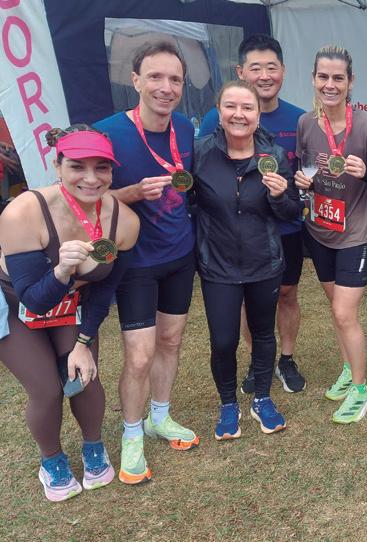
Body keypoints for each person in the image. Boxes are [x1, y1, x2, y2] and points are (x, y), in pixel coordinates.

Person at [0, 125, 140, 501]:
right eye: (78, 166)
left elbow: (105, 289)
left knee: (83, 376)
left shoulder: (125, 222)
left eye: (101, 167)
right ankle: (52, 461)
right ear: (57, 165)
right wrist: (62, 270)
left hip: (69, 305)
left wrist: (83, 342)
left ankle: (94, 447)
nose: (91, 178)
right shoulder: (23, 212)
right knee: (46, 389)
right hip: (13, 304)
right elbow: (34, 300)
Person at [94, 41, 198, 485]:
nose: (165, 87)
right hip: (134, 262)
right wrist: (130, 194)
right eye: (155, 76)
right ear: (135, 80)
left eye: (175, 79)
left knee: (170, 341)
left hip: (179, 256)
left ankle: (160, 415)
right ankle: (132, 434)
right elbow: (84, 199)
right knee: (138, 356)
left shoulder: (186, 129)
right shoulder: (107, 133)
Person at [198, 35, 307, 394]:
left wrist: (300, 185)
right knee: (246, 302)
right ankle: (255, 362)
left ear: (283, 72)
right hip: (236, 233)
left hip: (284, 229)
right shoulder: (217, 119)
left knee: (287, 294)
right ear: (241, 71)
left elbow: (305, 174)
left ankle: (286, 359)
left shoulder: (299, 118)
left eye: (271, 68)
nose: (264, 75)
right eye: (255, 68)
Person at [295, 45, 367, 424]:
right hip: (320, 230)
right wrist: (303, 181)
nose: (330, 84)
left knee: (343, 311)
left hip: (358, 234)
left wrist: (365, 173)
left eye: (338, 78)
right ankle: (348, 369)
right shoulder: (306, 123)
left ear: (351, 82)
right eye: (323, 77)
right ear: (314, 80)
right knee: (337, 312)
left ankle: (361, 390)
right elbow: (305, 167)